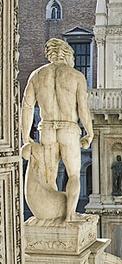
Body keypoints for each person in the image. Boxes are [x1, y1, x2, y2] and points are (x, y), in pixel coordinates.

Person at [21, 38, 93, 222]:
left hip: (46, 128)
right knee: (74, 174)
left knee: (49, 177)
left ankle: (52, 216)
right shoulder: (76, 76)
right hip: (69, 128)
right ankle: (69, 216)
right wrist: (89, 132)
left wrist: (25, 135)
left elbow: (27, 106)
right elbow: (83, 109)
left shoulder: (37, 75)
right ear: (68, 54)